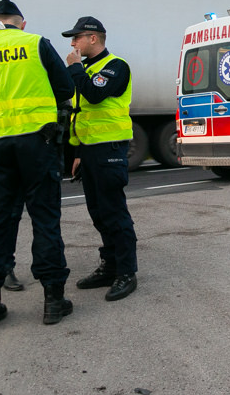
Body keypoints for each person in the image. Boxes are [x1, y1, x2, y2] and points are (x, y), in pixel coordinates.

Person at [0, 0, 74, 331]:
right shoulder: (36, 43)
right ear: (22, 23)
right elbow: (64, 87)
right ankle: (53, 301)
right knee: (45, 218)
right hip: (38, 143)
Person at [62, 16, 138, 301]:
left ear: (92, 38)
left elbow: (93, 95)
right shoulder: (89, 68)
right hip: (91, 151)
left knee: (114, 212)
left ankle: (127, 272)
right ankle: (110, 265)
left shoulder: (115, 66)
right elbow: (83, 115)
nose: (72, 43)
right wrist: (79, 153)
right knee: (98, 212)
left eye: (76, 37)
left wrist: (75, 67)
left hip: (110, 150)